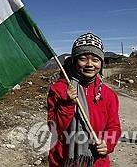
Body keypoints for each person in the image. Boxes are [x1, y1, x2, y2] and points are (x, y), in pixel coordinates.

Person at [47, 33, 121, 167]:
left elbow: (114, 127)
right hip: (62, 160)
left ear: (101, 63)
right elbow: (54, 129)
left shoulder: (108, 95)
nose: (89, 64)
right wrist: (67, 104)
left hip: (96, 161)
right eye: (83, 58)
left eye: (95, 59)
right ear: (74, 61)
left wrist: (108, 144)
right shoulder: (59, 89)